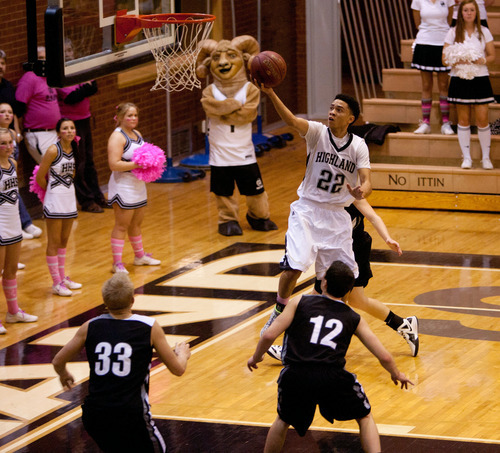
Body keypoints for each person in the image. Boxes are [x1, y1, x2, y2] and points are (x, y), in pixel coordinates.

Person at [247, 260, 413, 453]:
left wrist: (256, 357)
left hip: (296, 374)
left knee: (283, 420)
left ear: (323, 283)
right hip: (332, 376)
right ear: (349, 291)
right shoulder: (353, 317)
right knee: (364, 417)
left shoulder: (300, 302)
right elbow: (383, 356)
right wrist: (396, 373)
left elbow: (268, 335)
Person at [257, 87, 371, 333]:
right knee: (295, 266)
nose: (332, 112)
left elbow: (367, 179)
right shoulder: (317, 133)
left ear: (351, 118)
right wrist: (271, 93)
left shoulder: (359, 146)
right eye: (331, 108)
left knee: (342, 276)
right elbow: (290, 119)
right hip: (307, 210)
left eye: (339, 110)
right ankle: (278, 310)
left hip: (337, 215)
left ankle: (322, 324)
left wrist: (362, 191)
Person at [52, 272, 191, 452]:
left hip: (95, 413)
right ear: (132, 300)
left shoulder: (90, 326)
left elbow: (57, 360)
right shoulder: (148, 326)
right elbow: (178, 369)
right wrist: (182, 354)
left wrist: (63, 373)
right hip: (130, 412)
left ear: (105, 302)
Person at [267, 199, 419, 361]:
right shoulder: (321, 195)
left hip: (354, 249)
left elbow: (373, 217)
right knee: (357, 300)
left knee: (316, 302)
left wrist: (387, 238)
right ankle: (403, 325)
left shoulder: (352, 194)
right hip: (333, 249)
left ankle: (292, 348)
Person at [107, 102, 161, 274]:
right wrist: (138, 165)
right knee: (122, 225)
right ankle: (117, 263)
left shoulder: (137, 133)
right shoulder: (117, 137)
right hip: (123, 184)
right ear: (120, 117)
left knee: (137, 223)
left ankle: (139, 256)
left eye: (135, 115)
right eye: (129, 115)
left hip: (137, 183)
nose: (133, 119)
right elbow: (114, 164)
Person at [443, 0, 496, 169]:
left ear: (476, 12)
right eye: (465, 10)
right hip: (460, 79)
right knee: (463, 120)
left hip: (480, 78)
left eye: (472, 10)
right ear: (460, 13)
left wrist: (482, 60)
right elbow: (444, 59)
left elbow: (492, 55)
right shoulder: (452, 33)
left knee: (482, 120)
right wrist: (458, 59)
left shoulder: (484, 32)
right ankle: (466, 158)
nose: (468, 13)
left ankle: (486, 158)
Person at [57, 39, 107, 213]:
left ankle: (98, 195)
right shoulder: (59, 74)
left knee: (90, 161)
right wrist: (84, 89)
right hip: (71, 124)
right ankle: (86, 201)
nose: (67, 53)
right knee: (79, 163)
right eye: (63, 51)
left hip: (85, 119)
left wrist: (84, 89)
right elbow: (71, 97)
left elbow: (93, 87)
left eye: (69, 49)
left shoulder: (79, 66)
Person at [36, 118, 81, 297]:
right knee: (53, 242)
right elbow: (40, 176)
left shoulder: (75, 149)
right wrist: (51, 193)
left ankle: (62, 278)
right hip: (55, 199)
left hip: (69, 198)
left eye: (72, 128)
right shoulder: (53, 150)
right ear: (58, 132)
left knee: (64, 240)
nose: (69, 131)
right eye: (65, 128)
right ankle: (56, 282)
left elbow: (73, 173)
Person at [0, 128, 38, 334]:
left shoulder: (12, 164)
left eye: (10, 142)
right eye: (3, 143)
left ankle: (13, 312)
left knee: (11, 270)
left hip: (13, 222)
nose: (8, 147)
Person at [411, 0, 455, 135]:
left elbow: (449, 21)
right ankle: (425, 123)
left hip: (443, 43)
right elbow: (418, 22)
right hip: (424, 42)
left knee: (443, 85)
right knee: (426, 85)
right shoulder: (417, 1)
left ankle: (446, 123)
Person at [0, 102, 42, 241]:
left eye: (10, 112)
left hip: (10, 173)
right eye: (3, 112)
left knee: (14, 191)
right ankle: (23, 224)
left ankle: (21, 225)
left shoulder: (13, 133)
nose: (7, 115)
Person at [15, 46, 60, 164]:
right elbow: (19, 108)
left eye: (46, 58)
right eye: (40, 58)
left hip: (54, 132)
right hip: (38, 133)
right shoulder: (29, 78)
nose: (44, 61)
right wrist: (19, 131)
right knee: (52, 167)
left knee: (62, 167)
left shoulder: (48, 77)